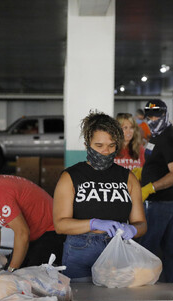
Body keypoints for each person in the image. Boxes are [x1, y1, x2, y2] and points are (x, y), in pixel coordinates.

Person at [53, 111, 147, 281]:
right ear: (86, 144)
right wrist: (93, 223)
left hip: (117, 250)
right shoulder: (70, 177)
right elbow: (60, 225)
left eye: (111, 146)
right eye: (99, 145)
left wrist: (132, 229)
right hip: (80, 251)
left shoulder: (128, 178)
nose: (105, 151)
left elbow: (141, 224)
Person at [137, 99, 173, 283]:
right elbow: (158, 162)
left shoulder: (169, 138)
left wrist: (151, 187)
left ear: (165, 115)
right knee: (169, 247)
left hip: (163, 201)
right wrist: (144, 172)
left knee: (147, 247)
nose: (153, 119)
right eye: (149, 116)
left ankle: (141, 292)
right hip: (162, 201)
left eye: (157, 115)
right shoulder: (156, 136)